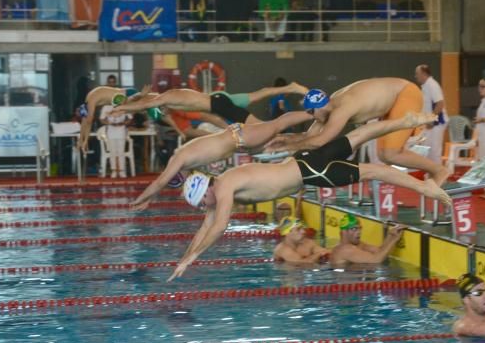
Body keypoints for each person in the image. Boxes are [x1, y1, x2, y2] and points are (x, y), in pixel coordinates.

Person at [169, 112, 451, 279]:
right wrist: (185, 257)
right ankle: (408, 120)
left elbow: (218, 226)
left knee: (373, 171)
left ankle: (425, 187)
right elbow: (206, 225)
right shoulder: (220, 186)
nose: (205, 207)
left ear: (205, 192)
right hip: (302, 159)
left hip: (310, 172)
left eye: (202, 203)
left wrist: (194, 258)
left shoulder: (224, 187)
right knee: (361, 135)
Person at [271, 79, 452, 184]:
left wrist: (289, 147)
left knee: (390, 153)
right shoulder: (328, 106)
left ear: (320, 106)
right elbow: (310, 137)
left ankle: (439, 170)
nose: (311, 116)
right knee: (385, 155)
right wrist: (285, 140)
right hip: (391, 102)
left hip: (405, 94)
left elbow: (320, 141)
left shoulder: (342, 108)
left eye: (311, 112)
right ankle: (436, 170)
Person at [130, 110, 314, 209]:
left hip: (239, 137)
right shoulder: (190, 163)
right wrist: (152, 198)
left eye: (178, 179)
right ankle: (311, 136)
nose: (184, 180)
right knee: (281, 144)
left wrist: (141, 199)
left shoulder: (179, 157)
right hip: (240, 144)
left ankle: (313, 112)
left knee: (277, 125)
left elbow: (159, 182)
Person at [115, 81, 309, 125]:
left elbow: (142, 105)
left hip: (218, 104)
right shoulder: (169, 99)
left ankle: (308, 115)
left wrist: (121, 108)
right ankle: (291, 87)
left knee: (261, 127)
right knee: (257, 95)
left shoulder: (165, 97)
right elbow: (146, 105)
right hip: (218, 98)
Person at [329, 213, 405, 268]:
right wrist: (394, 240)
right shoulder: (344, 249)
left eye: (359, 228)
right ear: (344, 232)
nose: (359, 232)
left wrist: (390, 236)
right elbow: (376, 260)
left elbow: (379, 251)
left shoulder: (357, 245)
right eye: (354, 229)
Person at [414, 64, 446, 166]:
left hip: (436, 123)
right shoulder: (426, 86)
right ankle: (431, 176)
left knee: (434, 152)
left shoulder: (432, 85)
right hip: (429, 123)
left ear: (424, 74)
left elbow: (440, 103)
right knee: (428, 152)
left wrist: (432, 120)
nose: (416, 76)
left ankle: (438, 178)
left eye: (417, 74)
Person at [99, 100, 130, 177]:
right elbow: (101, 119)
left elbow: (130, 118)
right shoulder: (106, 107)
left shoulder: (125, 106)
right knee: (112, 152)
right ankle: (114, 170)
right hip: (111, 130)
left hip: (121, 130)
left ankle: (122, 170)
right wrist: (109, 123)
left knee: (121, 151)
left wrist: (124, 123)